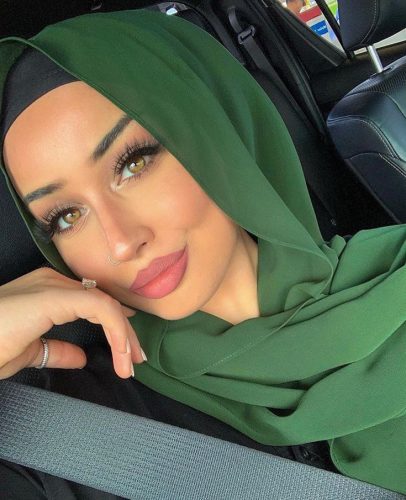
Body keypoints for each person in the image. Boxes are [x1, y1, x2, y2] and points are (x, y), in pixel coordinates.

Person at [0, 8, 405, 498]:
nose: (121, 242)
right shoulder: (73, 434)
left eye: (133, 164)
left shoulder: (395, 274)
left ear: (217, 129)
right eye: (66, 217)